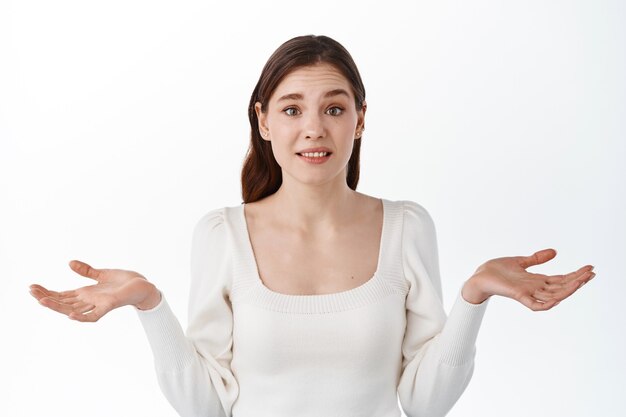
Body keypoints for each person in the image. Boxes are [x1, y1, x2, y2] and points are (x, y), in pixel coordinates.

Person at [29, 35, 595, 417]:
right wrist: (149, 304)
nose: (314, 129)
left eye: (334, 107)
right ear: (264, 120)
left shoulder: (406, 227)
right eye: (292, 108)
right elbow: (207, 406)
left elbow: (424, 404)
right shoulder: (222, 234)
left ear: (360, 118)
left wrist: (474, 298)